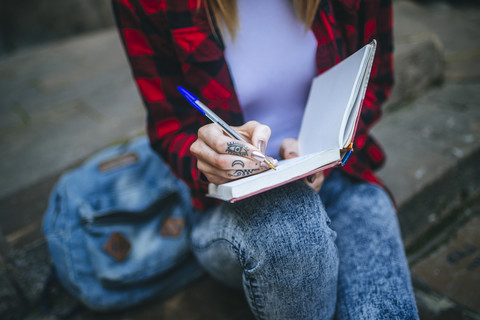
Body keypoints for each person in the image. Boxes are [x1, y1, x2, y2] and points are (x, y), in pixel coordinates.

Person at [112, 0, 419, 318]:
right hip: (231, 204)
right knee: (288, 223)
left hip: (342, 176)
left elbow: (375, 77)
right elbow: (169, 127)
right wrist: (210, 155)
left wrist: (323, 148)